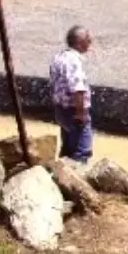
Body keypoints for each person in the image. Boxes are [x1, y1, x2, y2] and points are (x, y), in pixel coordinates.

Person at [48, 25, 94, 163]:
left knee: (67, 149)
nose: (91, 42)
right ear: (79, 42)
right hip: (74, 111)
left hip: (61, 111)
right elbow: (78, 89)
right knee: (81, 152)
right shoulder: (73, 60)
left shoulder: (59, 57)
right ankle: (74, 181)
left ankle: (60, 178)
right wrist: (80, 114)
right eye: (88, 39)